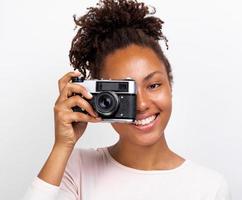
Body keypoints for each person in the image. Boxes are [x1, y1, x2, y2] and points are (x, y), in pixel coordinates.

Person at [23, 0, 231, 199]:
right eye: (124, 92)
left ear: (170, 84)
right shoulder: (76, 168)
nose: (140, 104)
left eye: (153, 85)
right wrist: (62, 145)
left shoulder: (208, 187)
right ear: (97, 98)